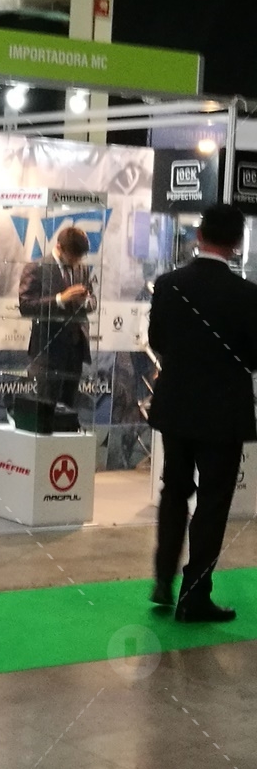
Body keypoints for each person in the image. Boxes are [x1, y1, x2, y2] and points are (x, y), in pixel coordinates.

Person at [149, 204, 257, 623]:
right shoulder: (247, 295)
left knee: (174, 490)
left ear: (199, 235)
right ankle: (194, 595)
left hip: (176, 405)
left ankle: (163, 578)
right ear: (237, 242)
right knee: (213, 502)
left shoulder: (168, 285)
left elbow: (158, 340)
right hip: (223, 414)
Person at [18, 226, 94, 407]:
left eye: (80, 257)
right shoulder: (36, 268)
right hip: (47, 351)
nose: (76, 262)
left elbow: (93, 300)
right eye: (73, 257)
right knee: (46, 408)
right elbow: (26, 306)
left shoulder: (82, 269)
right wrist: (60, 299)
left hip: (75, 351)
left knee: (69, 408)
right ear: (59, 247)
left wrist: (85, 301)